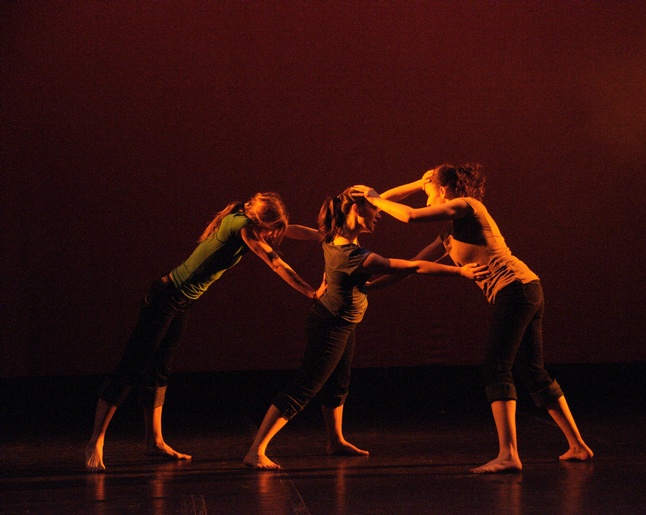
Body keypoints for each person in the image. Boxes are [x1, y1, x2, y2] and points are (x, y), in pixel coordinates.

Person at [352, 163, 593, 474]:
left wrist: (373, 196)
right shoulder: (449, 234)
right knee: (533, 372)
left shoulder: (468, 205)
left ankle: (508, 455)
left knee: (497, 367)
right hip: (525, 289)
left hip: (516, 289)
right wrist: (370, 287)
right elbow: (412, 266)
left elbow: (409, 216)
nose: (425, 198)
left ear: (443, 190)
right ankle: (578, 445)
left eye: (428, 192)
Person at [242, 187, 488, 470]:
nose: (379, 215)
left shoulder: (331, 236)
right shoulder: (353, 256)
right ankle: (256, 450)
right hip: (331, 323)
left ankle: (335, 441)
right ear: (357, 211)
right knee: (305, 386)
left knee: (338, 384)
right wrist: (460, 271)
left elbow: (382, 200)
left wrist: (418, 184)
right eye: (374, 210)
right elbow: (412, 267)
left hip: (342, 322)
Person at [85, 192, 324, 472]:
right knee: (132, 366)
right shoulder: (243, 228)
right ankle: (95, 442)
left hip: (181, 301)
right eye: (272, 229)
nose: (274, 235)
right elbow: (275, 262)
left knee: (160, 369)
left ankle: (154, 441)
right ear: (260, 222)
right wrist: (310, 291)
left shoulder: (245, 219)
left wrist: (324, 236)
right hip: (165, 297)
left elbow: (290, 230)